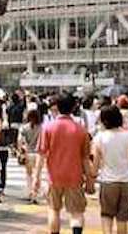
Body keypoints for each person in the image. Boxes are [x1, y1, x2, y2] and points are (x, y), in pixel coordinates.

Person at [35, 93, 93, 234]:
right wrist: (90, 179)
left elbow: (41, 155)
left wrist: (36, 177)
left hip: (54, 176)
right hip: (75, 176)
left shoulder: (48, 128)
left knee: (54, 210)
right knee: (76, 212)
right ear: (73, 107)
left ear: (56, 107)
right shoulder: (80, 130)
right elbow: (85, 158)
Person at [91, 105, 128, 234]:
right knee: (123, 218)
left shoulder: (99, 138)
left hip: (108, 181)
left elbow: (95, 163)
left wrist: (92, 176)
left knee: (107, 215)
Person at [18, 109, 42, 203]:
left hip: (28, 153)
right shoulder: (42, 128)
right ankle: (35, 193)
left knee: (29, 174)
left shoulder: (24, 128)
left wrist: (20, 151)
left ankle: (30, 192)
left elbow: (20, 141)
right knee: (37, 174)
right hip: (39, 153)